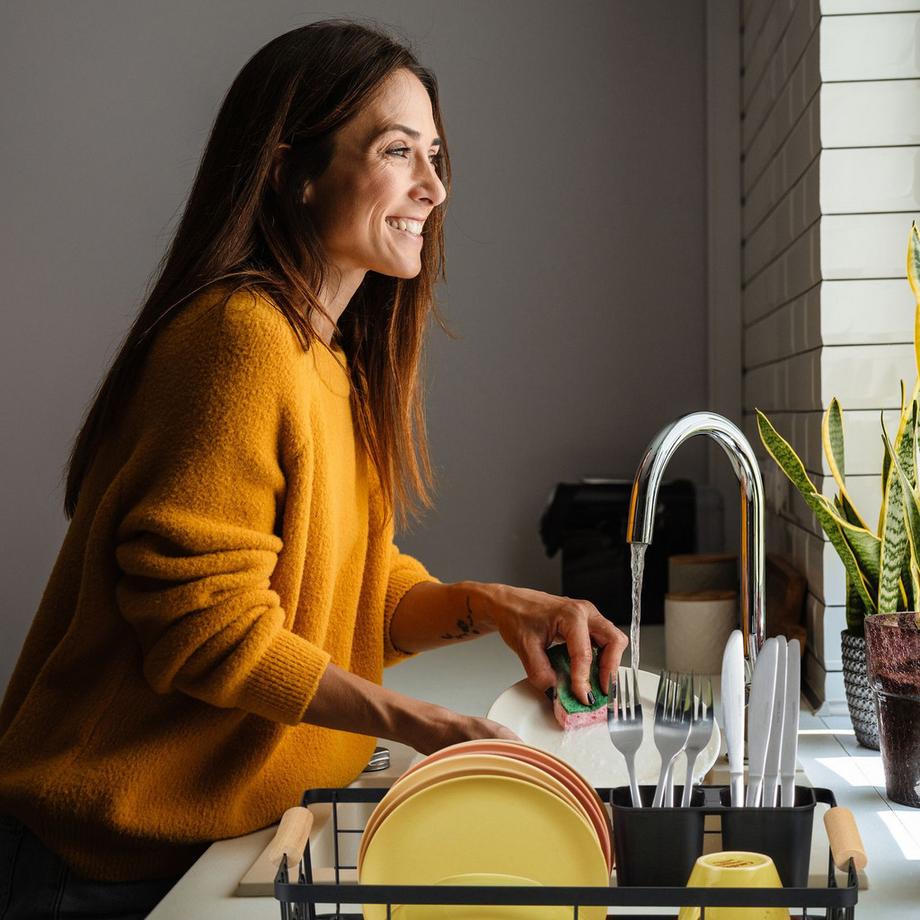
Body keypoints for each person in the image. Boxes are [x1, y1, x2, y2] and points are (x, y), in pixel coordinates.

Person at [0, 18, 628, 919]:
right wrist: (428, 725)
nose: (434, 188)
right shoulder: (241, 338)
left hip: (212, 837)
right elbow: (208, 631)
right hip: (103, 862)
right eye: (398, 151)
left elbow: (347, 595)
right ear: (292, 171)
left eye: (435, 156)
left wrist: (495, 606)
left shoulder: (327, 359)